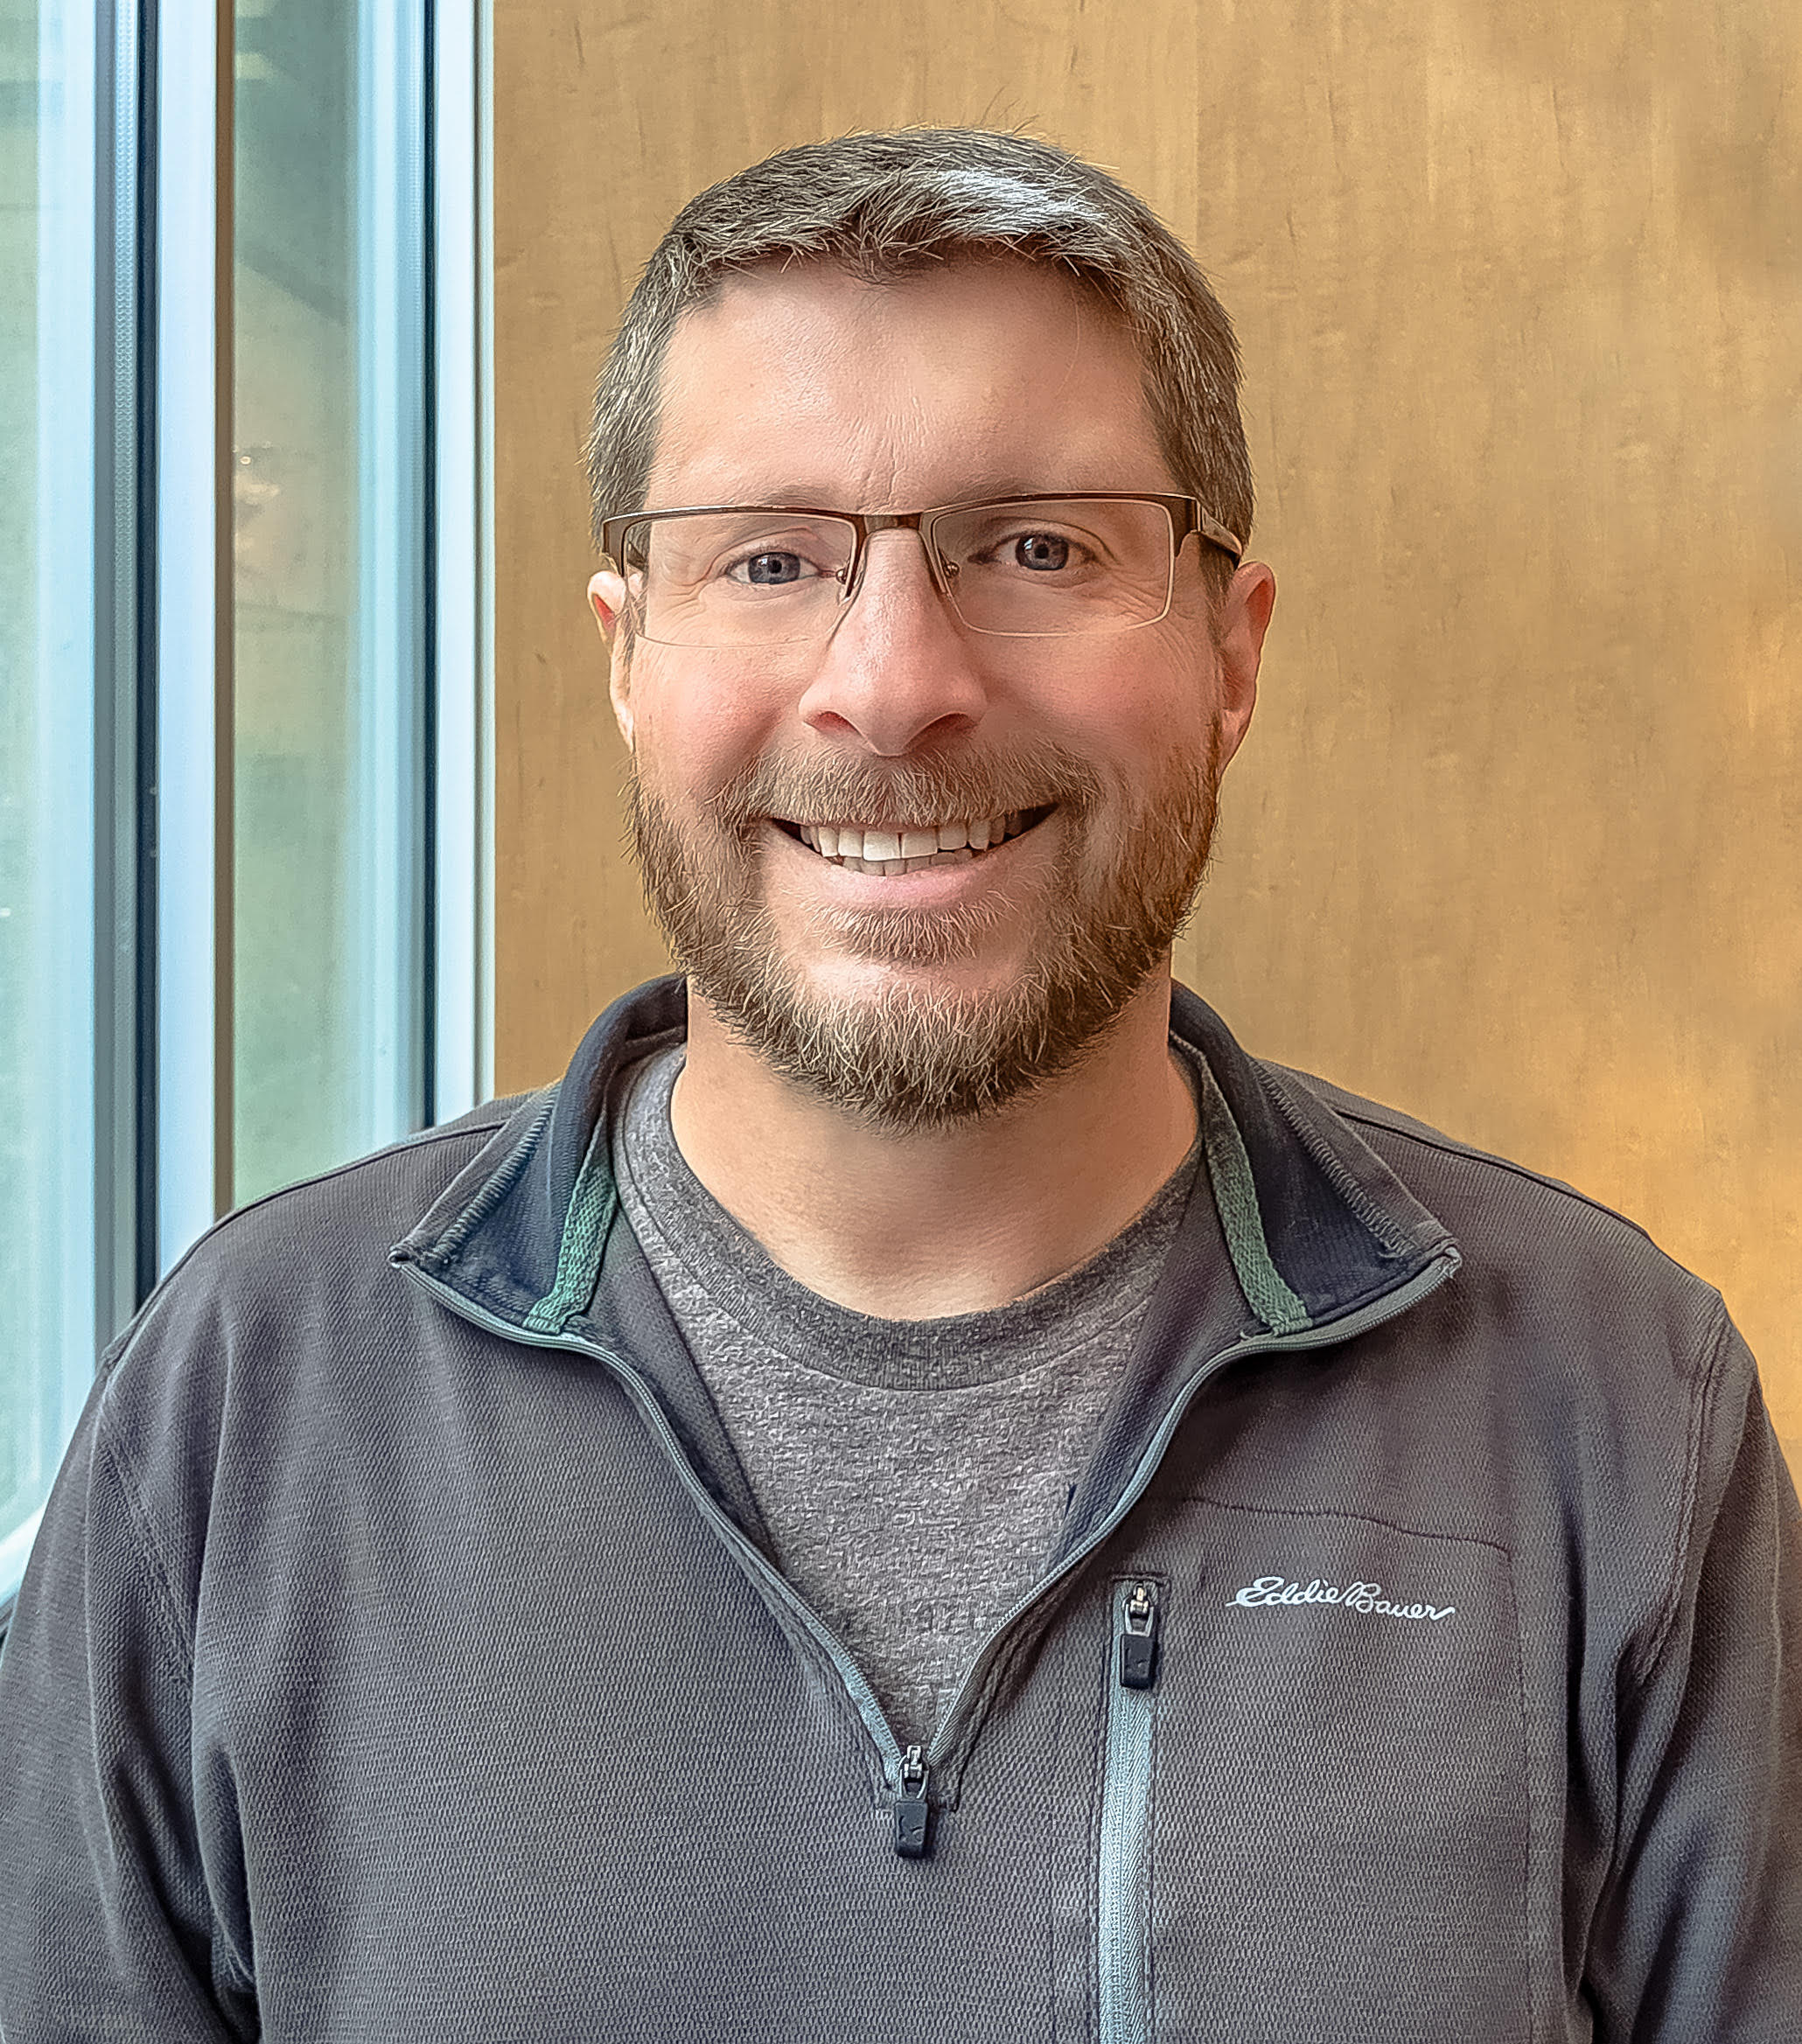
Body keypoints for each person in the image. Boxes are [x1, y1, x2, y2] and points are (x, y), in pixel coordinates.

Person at [0, 127, 1795, 2042]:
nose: (891, 682)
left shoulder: (1610, 1411)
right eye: (770, 557)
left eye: (1037, 547)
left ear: (1231, 654)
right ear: (626, 659)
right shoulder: (245, 1413)